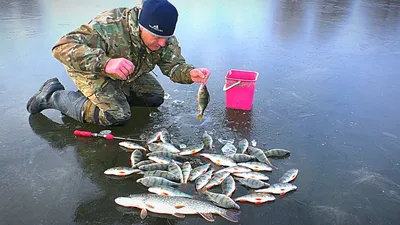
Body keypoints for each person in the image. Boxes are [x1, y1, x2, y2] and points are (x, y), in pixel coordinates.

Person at [26, 0, 210, 126]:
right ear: (141, 27)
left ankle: (110, 94)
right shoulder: (109, 25)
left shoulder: (164, 38)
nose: (163, 43)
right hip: (91, 69)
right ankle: (52, 96)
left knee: (153, 97)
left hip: (127, 73)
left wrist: (189, 73)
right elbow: (61, 47)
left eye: (166, 37)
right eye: (157, 37)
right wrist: (105, 63)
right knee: (116, 115)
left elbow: (173, 65)